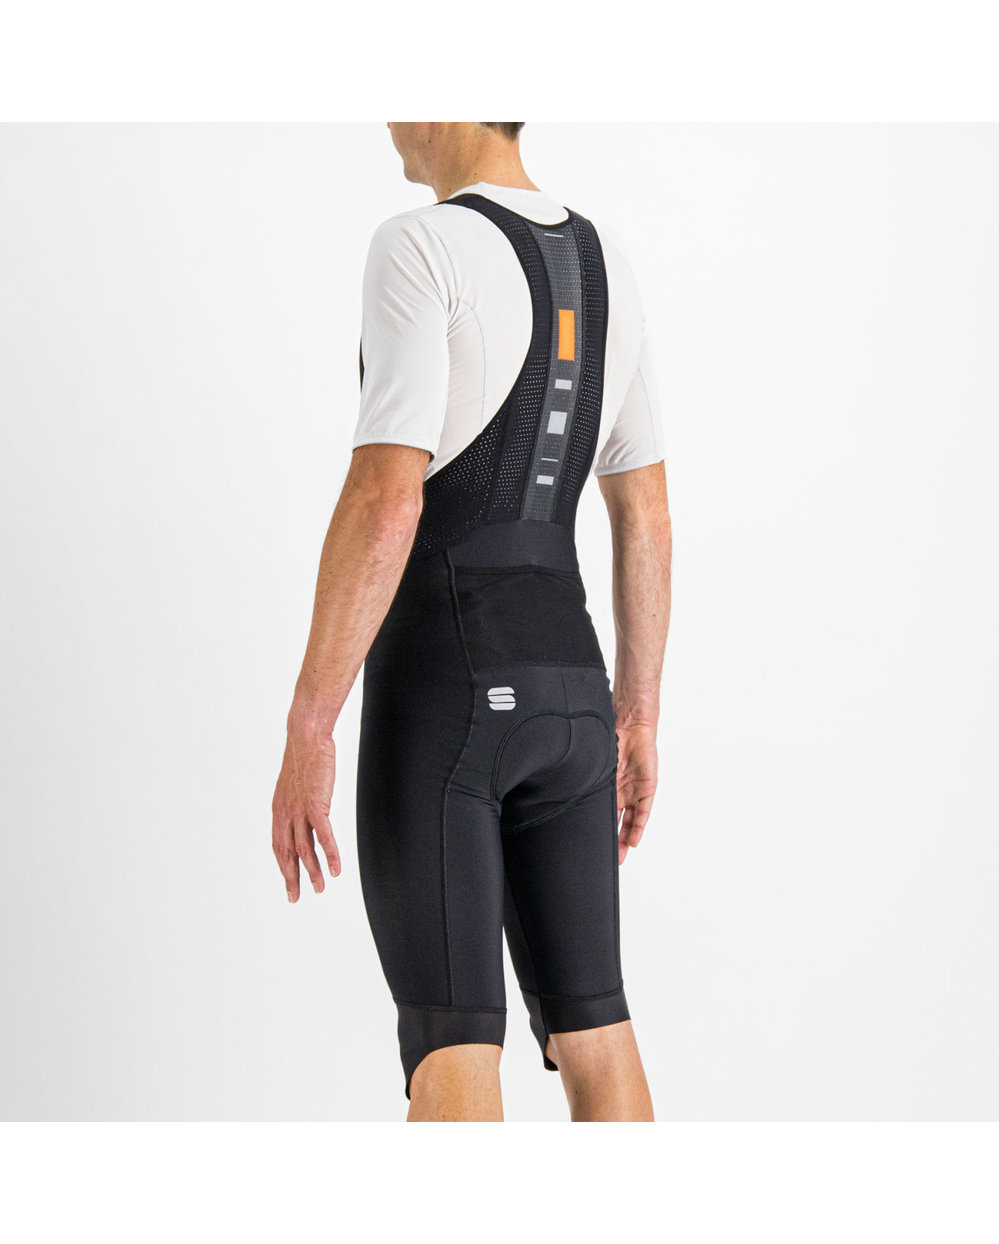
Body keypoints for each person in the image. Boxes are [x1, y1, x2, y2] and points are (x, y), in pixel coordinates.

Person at [271, 122, 672, 1122]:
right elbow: (647, 512)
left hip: (447, 699)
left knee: (451, 1041)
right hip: (576, 697)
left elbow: (386, 498)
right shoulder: (606, 259)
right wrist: (637, 714)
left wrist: (311, 720)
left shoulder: (421, 243)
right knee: (598, 1033)